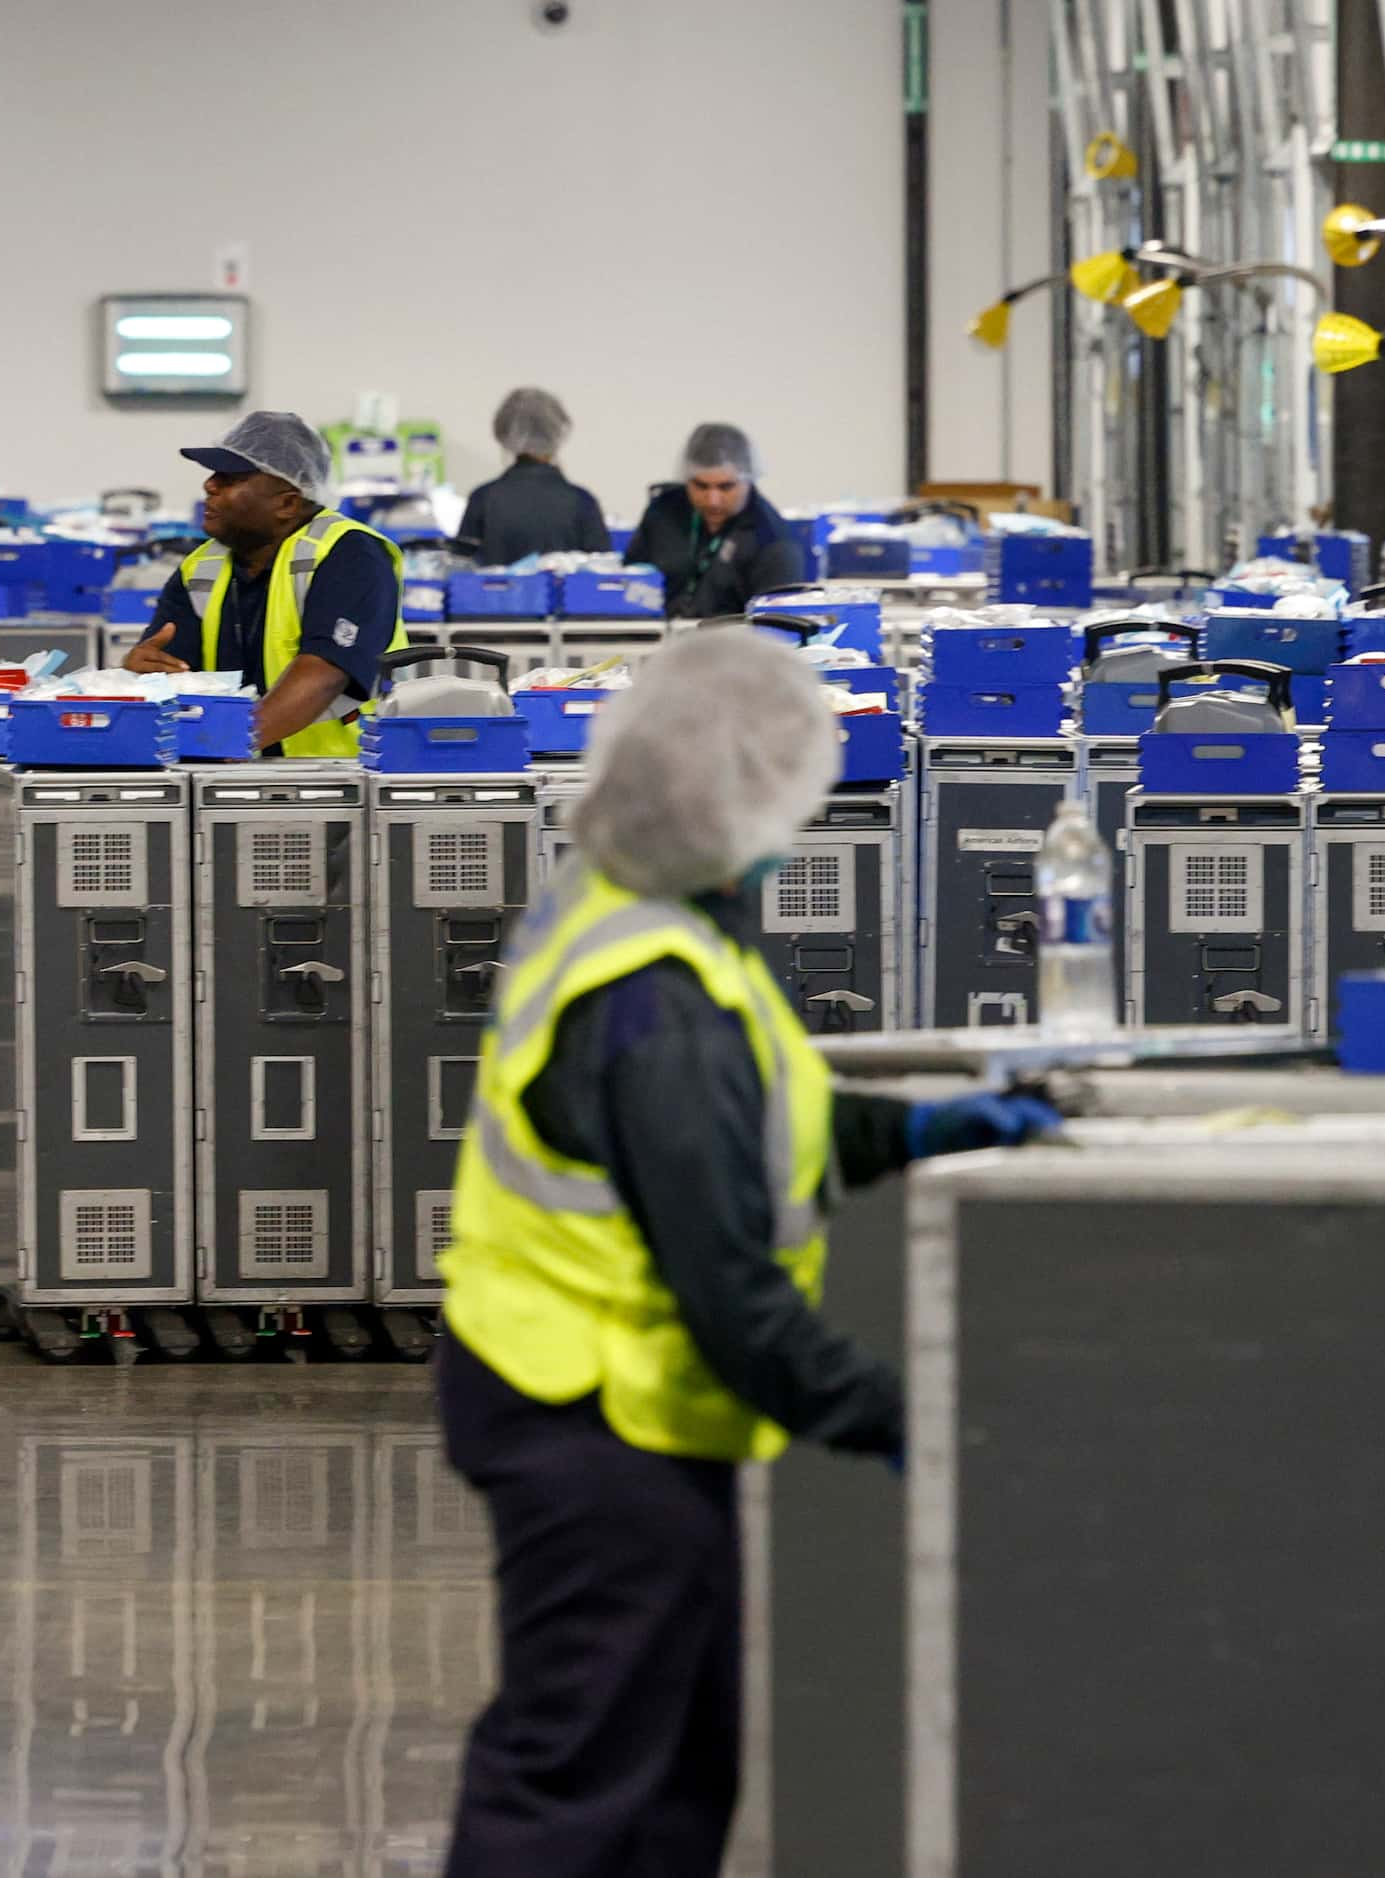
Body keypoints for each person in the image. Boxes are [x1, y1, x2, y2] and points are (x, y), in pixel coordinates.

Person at [436, 629, 1057, 1876]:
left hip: (619, 1410)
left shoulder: (627, 909)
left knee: (674, 1762)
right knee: (577, 1774)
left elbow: (753, 1129)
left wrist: (916, 1129)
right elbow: (723, 1279)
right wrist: (890, 1414)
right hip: (593, 1415)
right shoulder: (654, 986)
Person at [121, 411, 407, 755]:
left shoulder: (349, 554)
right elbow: (173, 671)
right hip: (234, 782)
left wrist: (229, 744)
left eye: (229, 478)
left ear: (287, 502)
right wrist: (141, 674)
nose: (209, 485)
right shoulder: (202, 568)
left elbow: (325, 674)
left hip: (341, 779)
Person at [625, 422, 810, 618]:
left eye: (726, 487)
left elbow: (776, 625)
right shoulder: (662, 511)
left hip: (732, 644)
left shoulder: (773, 539)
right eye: (701, 486)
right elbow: (630, 579)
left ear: (748, 479)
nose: (713, 500)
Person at [457, 386, 610, 564]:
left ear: (501, 433)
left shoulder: (483, 499)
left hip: (495, 593)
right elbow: (604, 573)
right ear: (558, 432)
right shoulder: (581, 502)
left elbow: (461, 570)